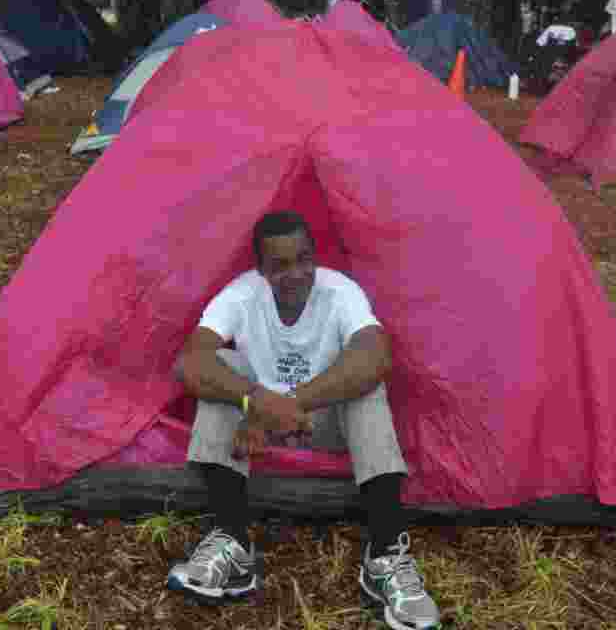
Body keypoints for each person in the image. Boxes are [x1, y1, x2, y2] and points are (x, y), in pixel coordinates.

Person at [168, 211, 440, 630]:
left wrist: (288, 404)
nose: (296, 273)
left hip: (319, 423)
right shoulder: (240, 296)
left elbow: (376, 354)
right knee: (219, 366)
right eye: (280, 266)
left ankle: (385, 555)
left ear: (314, 257)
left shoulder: (339, 292)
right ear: (261, 269)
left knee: (365, 382)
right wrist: (256, 401)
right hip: (254, 427)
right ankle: (232, 543)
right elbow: (190, 362)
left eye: (304, 260)